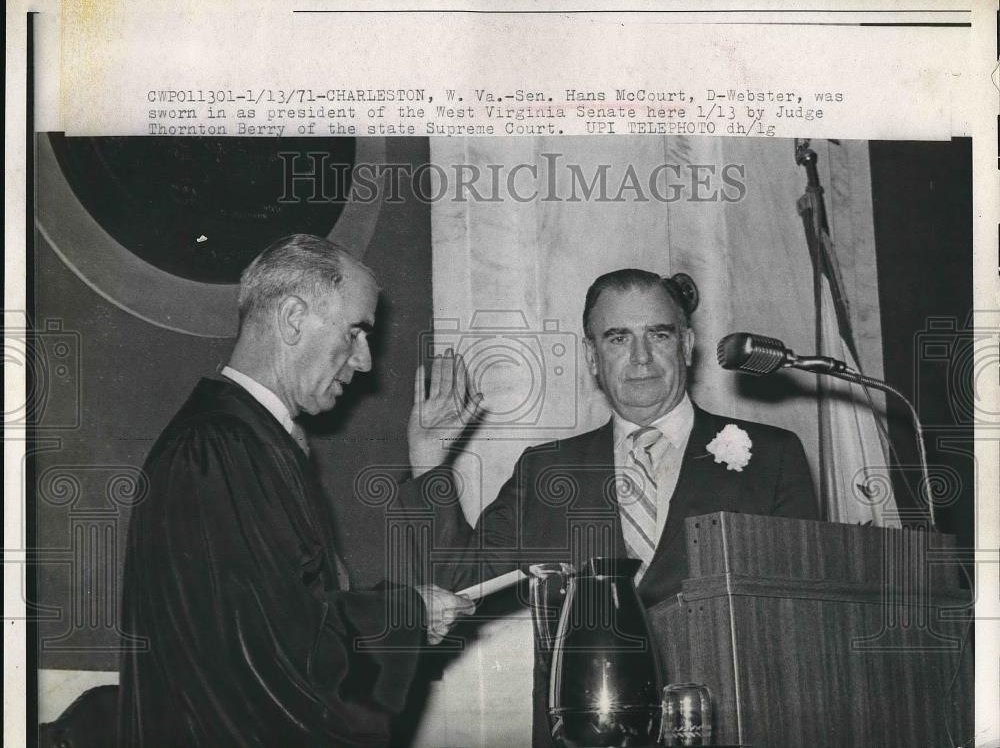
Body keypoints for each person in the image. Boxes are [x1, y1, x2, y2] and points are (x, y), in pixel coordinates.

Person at [406, 268, 820, 745]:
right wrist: (429, 460)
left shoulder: (772, 457)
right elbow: (456, 582)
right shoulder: (547, 471)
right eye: (618, 338)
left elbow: (805, 621)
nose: (641, 357)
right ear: (591, 356)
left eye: (659, 335)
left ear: (686, 345)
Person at [118, 234, 475, 747]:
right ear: (292, 319)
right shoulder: (218, 449)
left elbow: (282, 616)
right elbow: (276, 655)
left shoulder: (240, 441)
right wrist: (406, 612)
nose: (365, 361)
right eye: (355, 332)